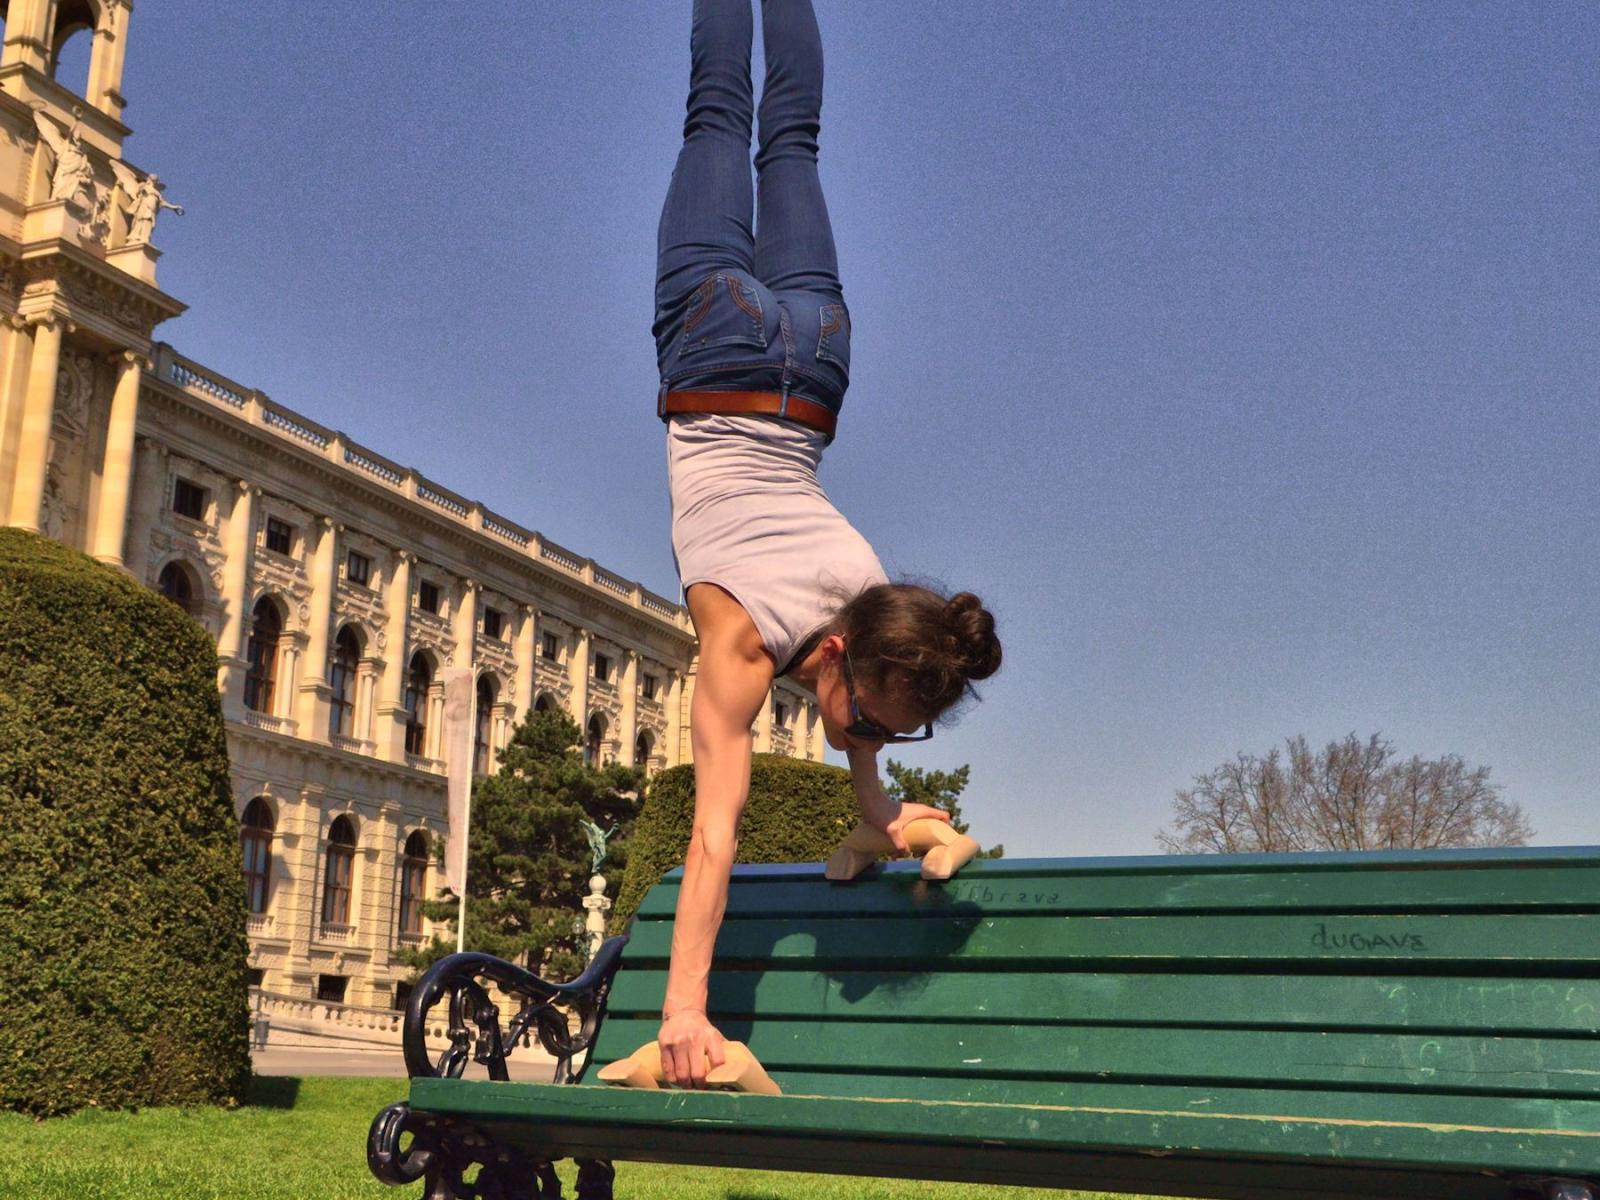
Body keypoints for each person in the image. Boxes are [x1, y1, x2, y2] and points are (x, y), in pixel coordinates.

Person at [652, 0, 1002, 1088]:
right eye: (870, 725)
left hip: (814, 361)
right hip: (712, 345)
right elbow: (713, 839)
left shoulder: (877, 611)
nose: (860, 739)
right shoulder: (749, 653)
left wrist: (899, 828)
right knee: (719, 115)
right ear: (848, 664)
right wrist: (684, 1012)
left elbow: (870, 797)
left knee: (792, 137)